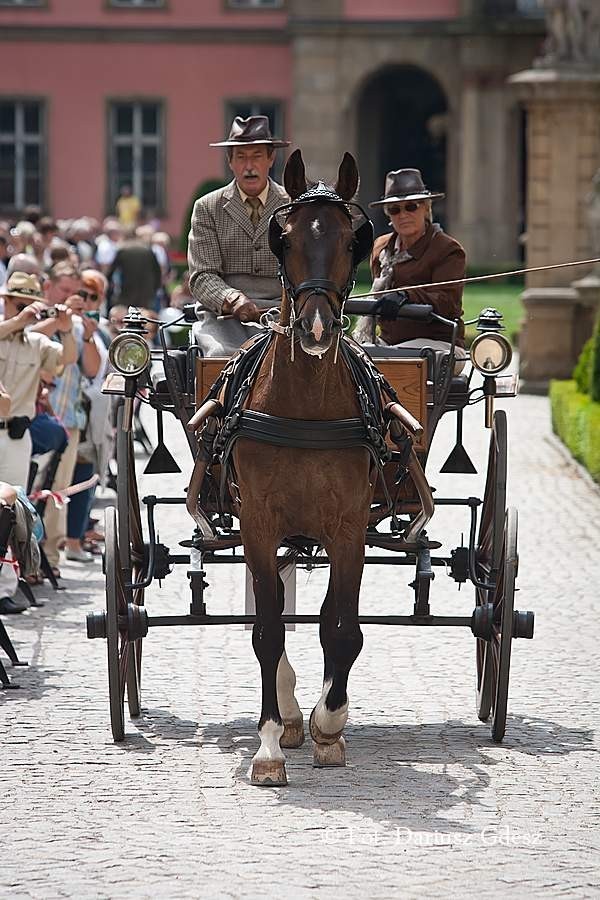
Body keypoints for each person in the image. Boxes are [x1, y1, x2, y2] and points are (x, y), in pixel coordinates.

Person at [187, 115, 290, 356]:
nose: (249, 166)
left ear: (271, 158)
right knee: (220, 360)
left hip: (285, 315)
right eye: (241, 157)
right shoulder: (207, 207)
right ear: (230, 161)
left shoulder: (292, 207)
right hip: (224, 318)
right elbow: (202, 275)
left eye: (257, 156)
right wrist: (232, 299)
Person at [354, 168, 466, 362]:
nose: (403, 215)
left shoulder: (448, 249)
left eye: (411, 207)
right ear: (388, 215)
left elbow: (447, 301)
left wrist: (406, 295)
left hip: (440, 344)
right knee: (348, 357)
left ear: (426, 208)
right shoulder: (380, 248)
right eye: (395, 209)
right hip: (387, 344)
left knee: (389, 359)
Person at [0, 272, 76, 488]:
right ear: (5, 301)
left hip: (17, 436)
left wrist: (67, 329)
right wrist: (17, 321)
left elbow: (68, 358)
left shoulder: (36, 342)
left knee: (13, 509)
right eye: (20, 305)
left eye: (30, 307)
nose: (25, 312)